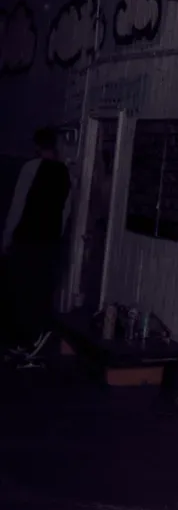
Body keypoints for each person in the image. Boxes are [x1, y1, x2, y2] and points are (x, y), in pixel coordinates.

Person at [1, 127, 71, 360]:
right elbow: (64, 211)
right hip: (48, 240)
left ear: (37, 146)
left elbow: (18, 205)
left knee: (18, 289)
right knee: (39, 289)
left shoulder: (30, 169)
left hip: (26, 237)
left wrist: (7, 236)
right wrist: (56, 236)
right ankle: (35, 338)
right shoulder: (67, 173)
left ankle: (21, 340)